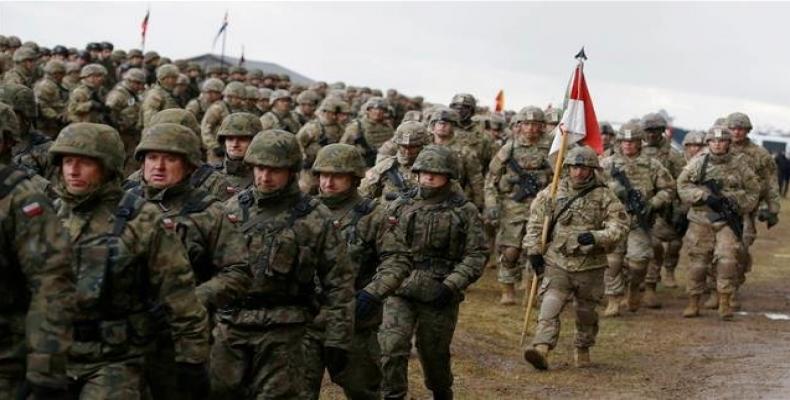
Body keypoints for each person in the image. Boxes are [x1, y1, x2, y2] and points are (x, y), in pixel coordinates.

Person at [48, 122, 210, 399]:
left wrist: (191, 362)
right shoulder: (47, 214)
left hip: (116, 359)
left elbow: (180, 298)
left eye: (84, 163)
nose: (73, 171)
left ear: (107, 166)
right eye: (67, 161)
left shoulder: (142, 220)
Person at [209, 129, 354, 399]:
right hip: (231, 328)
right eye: (260, 168)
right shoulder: (230, 209)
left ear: (291, 171)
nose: (265, 177)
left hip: (286, 331)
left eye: (274, 170)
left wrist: (337, 337)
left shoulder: (315, 217)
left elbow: (339, 281)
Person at [128, 122, 249, 399]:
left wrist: (193, 298)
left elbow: (238, 271)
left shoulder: (211, 213)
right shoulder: (122, 206)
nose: (158, 166)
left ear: (189, 166)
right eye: (152, 158)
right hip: (125, 338)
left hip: (184, 338)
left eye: (170, 159)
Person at [302, 143, 411, 399]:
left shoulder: (374, 216)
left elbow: (397, 261)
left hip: (354, 323)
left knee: (363, 391)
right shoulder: (303, 211)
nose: (328, 182)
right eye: (323, 175)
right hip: (307, 322)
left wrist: (372, 294)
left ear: (353, 178)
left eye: (337, 176)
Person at [379, 144, 488, 400]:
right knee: (391, 346)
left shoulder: (464, 211)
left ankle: (441, 392)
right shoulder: (399, 206)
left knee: (433, 352)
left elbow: (477, 254)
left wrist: (451, 284)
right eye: (424, 171)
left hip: (439, 290)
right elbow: (381, 244)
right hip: (399, 287)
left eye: (435, 172)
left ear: (448, 176)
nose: (428, 177)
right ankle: (392, 395)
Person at [522, 146, 628, 370]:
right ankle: (541, 347)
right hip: (558, 260)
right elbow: (535, 224)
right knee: (550, 303)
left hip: (590, 265)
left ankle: (583, 347)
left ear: (593, 170)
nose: (579, 173)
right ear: (567, 168)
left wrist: (597, 237)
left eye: (585, 168)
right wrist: (533, 251)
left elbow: (620, 225)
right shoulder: (551, 193)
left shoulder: (605, 196)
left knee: (586, 311)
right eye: (575, 167)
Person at [0, 107, 75, 400]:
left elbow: (51, 281)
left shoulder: (23, 198)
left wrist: (45, 364)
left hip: (7, 357)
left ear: (6, 141)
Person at [676, 127, 760, 319]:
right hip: (700, 220)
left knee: (728, 260)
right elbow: (682, 186)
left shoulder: (740, 165)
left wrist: (737, 203)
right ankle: (693, 302)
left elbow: (754, 191)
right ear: (708, 143)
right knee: (698, 262)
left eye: (722, 141)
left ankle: (725, 302)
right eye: (713, 141)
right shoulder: (698, 163)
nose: (717, 144)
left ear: (729, 143)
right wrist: (703, 196)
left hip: (727, 221)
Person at [600, 122, 675, 313]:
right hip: (614, 219)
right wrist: (613, 190)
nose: (628, 145)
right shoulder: (607, 164)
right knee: (613, 261)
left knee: (638, 262)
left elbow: (669, 188)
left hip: (640, 220)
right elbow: (593, 188)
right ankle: (614, 300)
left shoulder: (652, 165)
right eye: (624, 141)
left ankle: (634, 288)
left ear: (640, 143)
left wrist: (654, 203)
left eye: (632, 141)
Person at [484, 107, 552, 305]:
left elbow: (561, 177)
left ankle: (532, 291)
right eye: (527, 124)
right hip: (512, 205)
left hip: (539, 206)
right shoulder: (509, 148)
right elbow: (491, 179)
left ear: (542, 127)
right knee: (510, 251)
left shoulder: (550, 149)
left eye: (536, 125)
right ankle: (508, 290)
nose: (531, 129)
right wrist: (491, 204)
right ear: (519, 126)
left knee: (536, 251)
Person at [726, 112, 781, 308]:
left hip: (747, 209)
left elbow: (770, 183)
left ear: (747, 131)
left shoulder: (760, 155)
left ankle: (732, 286)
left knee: (741, 248)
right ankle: (718, 288)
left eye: (741, 128)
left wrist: (772, 209)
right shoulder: (718, 149)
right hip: (719, 208)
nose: (737, 132)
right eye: (733, 128)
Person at [640, 112, 687, 292]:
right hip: (643, 203)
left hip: (665, 205)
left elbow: (682, 180)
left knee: (673, 243)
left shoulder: (673, 155)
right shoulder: (638, 151)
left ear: (662, 131)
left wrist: (680, 207)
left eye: (656, 130)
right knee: (650, 244)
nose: (651, 134)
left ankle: (668, 270)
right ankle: (648, 276)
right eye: (648, 130)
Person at [359, 121, 431, 203]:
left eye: (413, 147)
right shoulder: (385, 167)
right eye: (403, 146)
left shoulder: (433, 168)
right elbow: (362, 195)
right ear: (397, 145)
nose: (407, 152)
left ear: (423, 145)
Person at [296, 97, 350, 193]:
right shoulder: (313, 127)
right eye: (333, 114)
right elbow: (298, 143)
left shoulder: (340, 128)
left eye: (336, 114)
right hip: (310, 168)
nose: (335, 117)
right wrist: (303, 159)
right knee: (307, 190)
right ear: (325, 112)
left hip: (330, 168)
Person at [105, 68, 145, 175]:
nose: (140, 86)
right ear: (129, 81)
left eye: (141, 83)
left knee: (132, 161)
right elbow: (109, 113)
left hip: (132, 134)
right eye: (137, 83)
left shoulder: (134, 94)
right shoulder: (118, 94)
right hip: (121, 134)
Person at [211, 112, 262, 193]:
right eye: (230, 139)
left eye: (242, 139)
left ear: (255, 142)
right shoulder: (210, 174)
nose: (235, 144)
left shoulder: (265, 177)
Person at [200, 81, 247, 163]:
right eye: (238, 98)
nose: (240, 101)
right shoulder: (218, 108)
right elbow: (205, 128)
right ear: (231, 96)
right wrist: (214, 146)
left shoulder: (241, 109)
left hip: (234, 148)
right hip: (217, 150)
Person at [340, 97, 394, 167]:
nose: (378, 112)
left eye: (381, 109)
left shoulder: (388, 127)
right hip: (363, 165)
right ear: (368, 110)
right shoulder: (357, 126)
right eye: (374, 109)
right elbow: (343, 148)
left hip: (384, 164)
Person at [33, 59, 69, 137]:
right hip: (47, 126)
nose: (62, 76)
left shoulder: (56, 85)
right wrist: (57, 117)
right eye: (61, 74)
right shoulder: (45, 86)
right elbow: (42, 106)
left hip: (56, 125)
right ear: (55, 74)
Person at [140, 63, 181, 128]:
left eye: (174, 77)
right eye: (166, 78)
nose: (170, 81)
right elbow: (149, 121)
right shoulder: (155, 95)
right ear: (160, 79)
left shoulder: (171, 93)